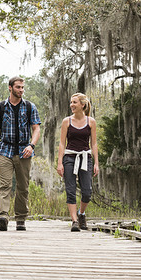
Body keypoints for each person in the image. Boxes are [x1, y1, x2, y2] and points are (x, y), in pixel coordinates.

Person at [0, 77, 41, 231]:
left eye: (22, 87)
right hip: (5, 150)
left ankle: (21, 218)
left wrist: (32, 145)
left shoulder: (30, 107)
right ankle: (3, 216)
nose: (21, 90)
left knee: (23, 187)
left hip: (25, 151)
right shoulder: (0, 107)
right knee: (5, 185)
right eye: (18, 87)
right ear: (10, 88)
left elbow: (36, 128)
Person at [56, 92, 100, 232]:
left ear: (83, 104)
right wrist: (59, 163)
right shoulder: (67, 121)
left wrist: (96, 163)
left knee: (87, 191)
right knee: (70, 190)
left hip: (85, 158)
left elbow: (94, 144)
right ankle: (74, 221)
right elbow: (62, 143)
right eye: (71, 102)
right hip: (69, 157)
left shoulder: (90, 122)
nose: (71, 105)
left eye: (74, 102)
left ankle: (81, 214)